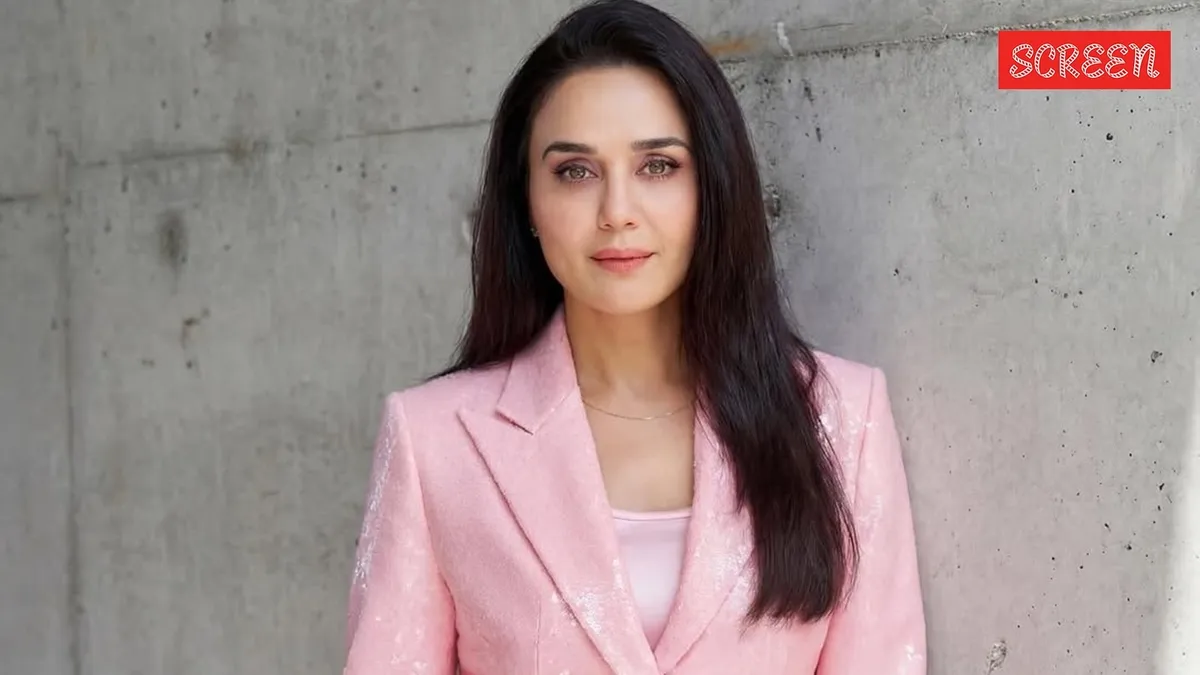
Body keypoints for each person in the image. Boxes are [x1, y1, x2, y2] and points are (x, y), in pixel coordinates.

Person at [343, 0, 926, 672]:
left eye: (658, 166)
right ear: (525, 201)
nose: (617, 212)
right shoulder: (435, 440)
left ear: (713, 187)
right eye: (575, 171)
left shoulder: (839, 418)